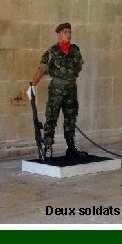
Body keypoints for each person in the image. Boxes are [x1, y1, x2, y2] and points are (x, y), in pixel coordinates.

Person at [27, 22, 87, 159]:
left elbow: (80, 64)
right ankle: (48, 146)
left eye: (69, 32)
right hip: (56, 89)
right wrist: (33, 85)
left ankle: (71, 146)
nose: (68, 35)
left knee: (71, 118)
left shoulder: (75, 50)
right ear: (58, 34)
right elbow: (42, 69)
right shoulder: (52, 52)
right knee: (52, 117)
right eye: (65, 32)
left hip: (71, 88)